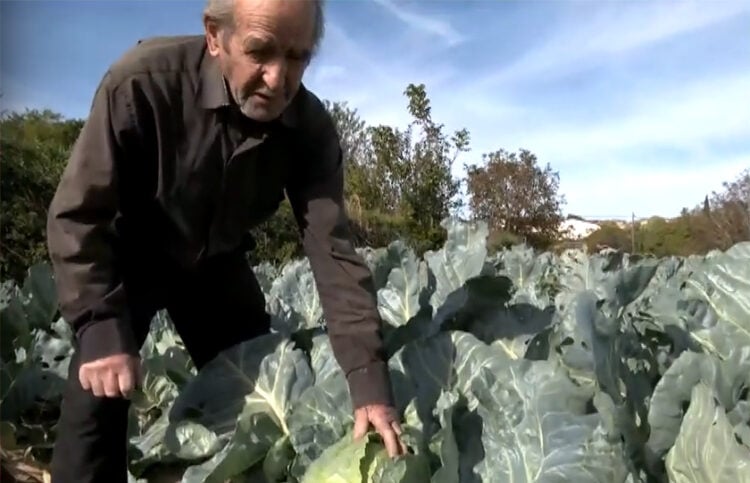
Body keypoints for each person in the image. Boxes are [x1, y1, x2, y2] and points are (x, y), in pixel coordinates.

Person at [46, 0, 405, 481]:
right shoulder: (141, 83)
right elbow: (79, 214)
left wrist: (369, 381)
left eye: (297, 57)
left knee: (261, 405)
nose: (278, 79)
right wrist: (98, 324)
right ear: (215, 36)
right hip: (130, 260)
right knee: (92, 424)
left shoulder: (309, 128)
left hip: (217, 266)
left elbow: (333, 250)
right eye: (261, 51)